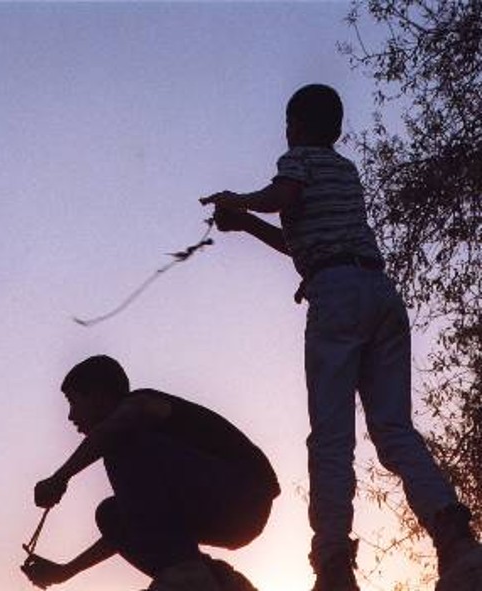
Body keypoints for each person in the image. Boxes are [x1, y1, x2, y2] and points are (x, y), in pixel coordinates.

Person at [200, 84, 481, 591]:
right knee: (394, 429)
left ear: (297, 125)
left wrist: (237, 201)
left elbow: (282, 198)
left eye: (289, 122)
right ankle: (456, 540)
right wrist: (244, 225)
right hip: (378, 291)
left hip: (337, 296)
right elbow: (302, 242)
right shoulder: (344, 171)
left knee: (331, 435)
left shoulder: (298, 159)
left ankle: (333, 563)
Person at [22, 355, 280, 591]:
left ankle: (187, 574)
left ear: (99, 395)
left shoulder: (139, 403)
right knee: (113, 515)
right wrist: (66, 571)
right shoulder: (135, 450)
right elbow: (138, 527)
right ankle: (220, 581)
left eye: (73, 402)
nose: (70, 415)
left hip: (244, 495)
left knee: (121, 438)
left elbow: (124, 422)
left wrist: (60, 477)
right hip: (228, 512)